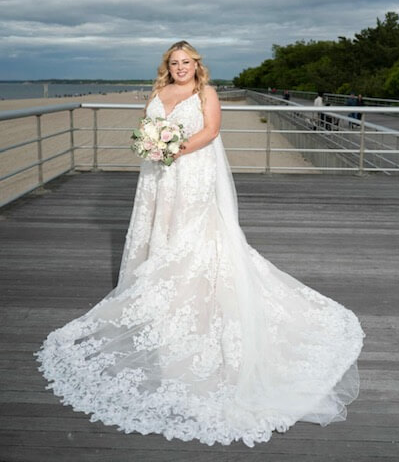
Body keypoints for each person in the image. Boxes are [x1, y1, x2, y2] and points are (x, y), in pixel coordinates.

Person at [34, 41, 365, 447]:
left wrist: (172, 148)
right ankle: (154, 285)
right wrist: (152, 145)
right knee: (159, 225)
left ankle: (188, 288)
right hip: (157, 174)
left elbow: (210, 131)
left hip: (191, 171)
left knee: (191, 232)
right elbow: (146, 126)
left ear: (196, 65)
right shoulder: (157, 92)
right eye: (174, 62)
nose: (180, 67)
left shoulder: (205, 92)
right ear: (167, 66)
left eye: (186, 62)